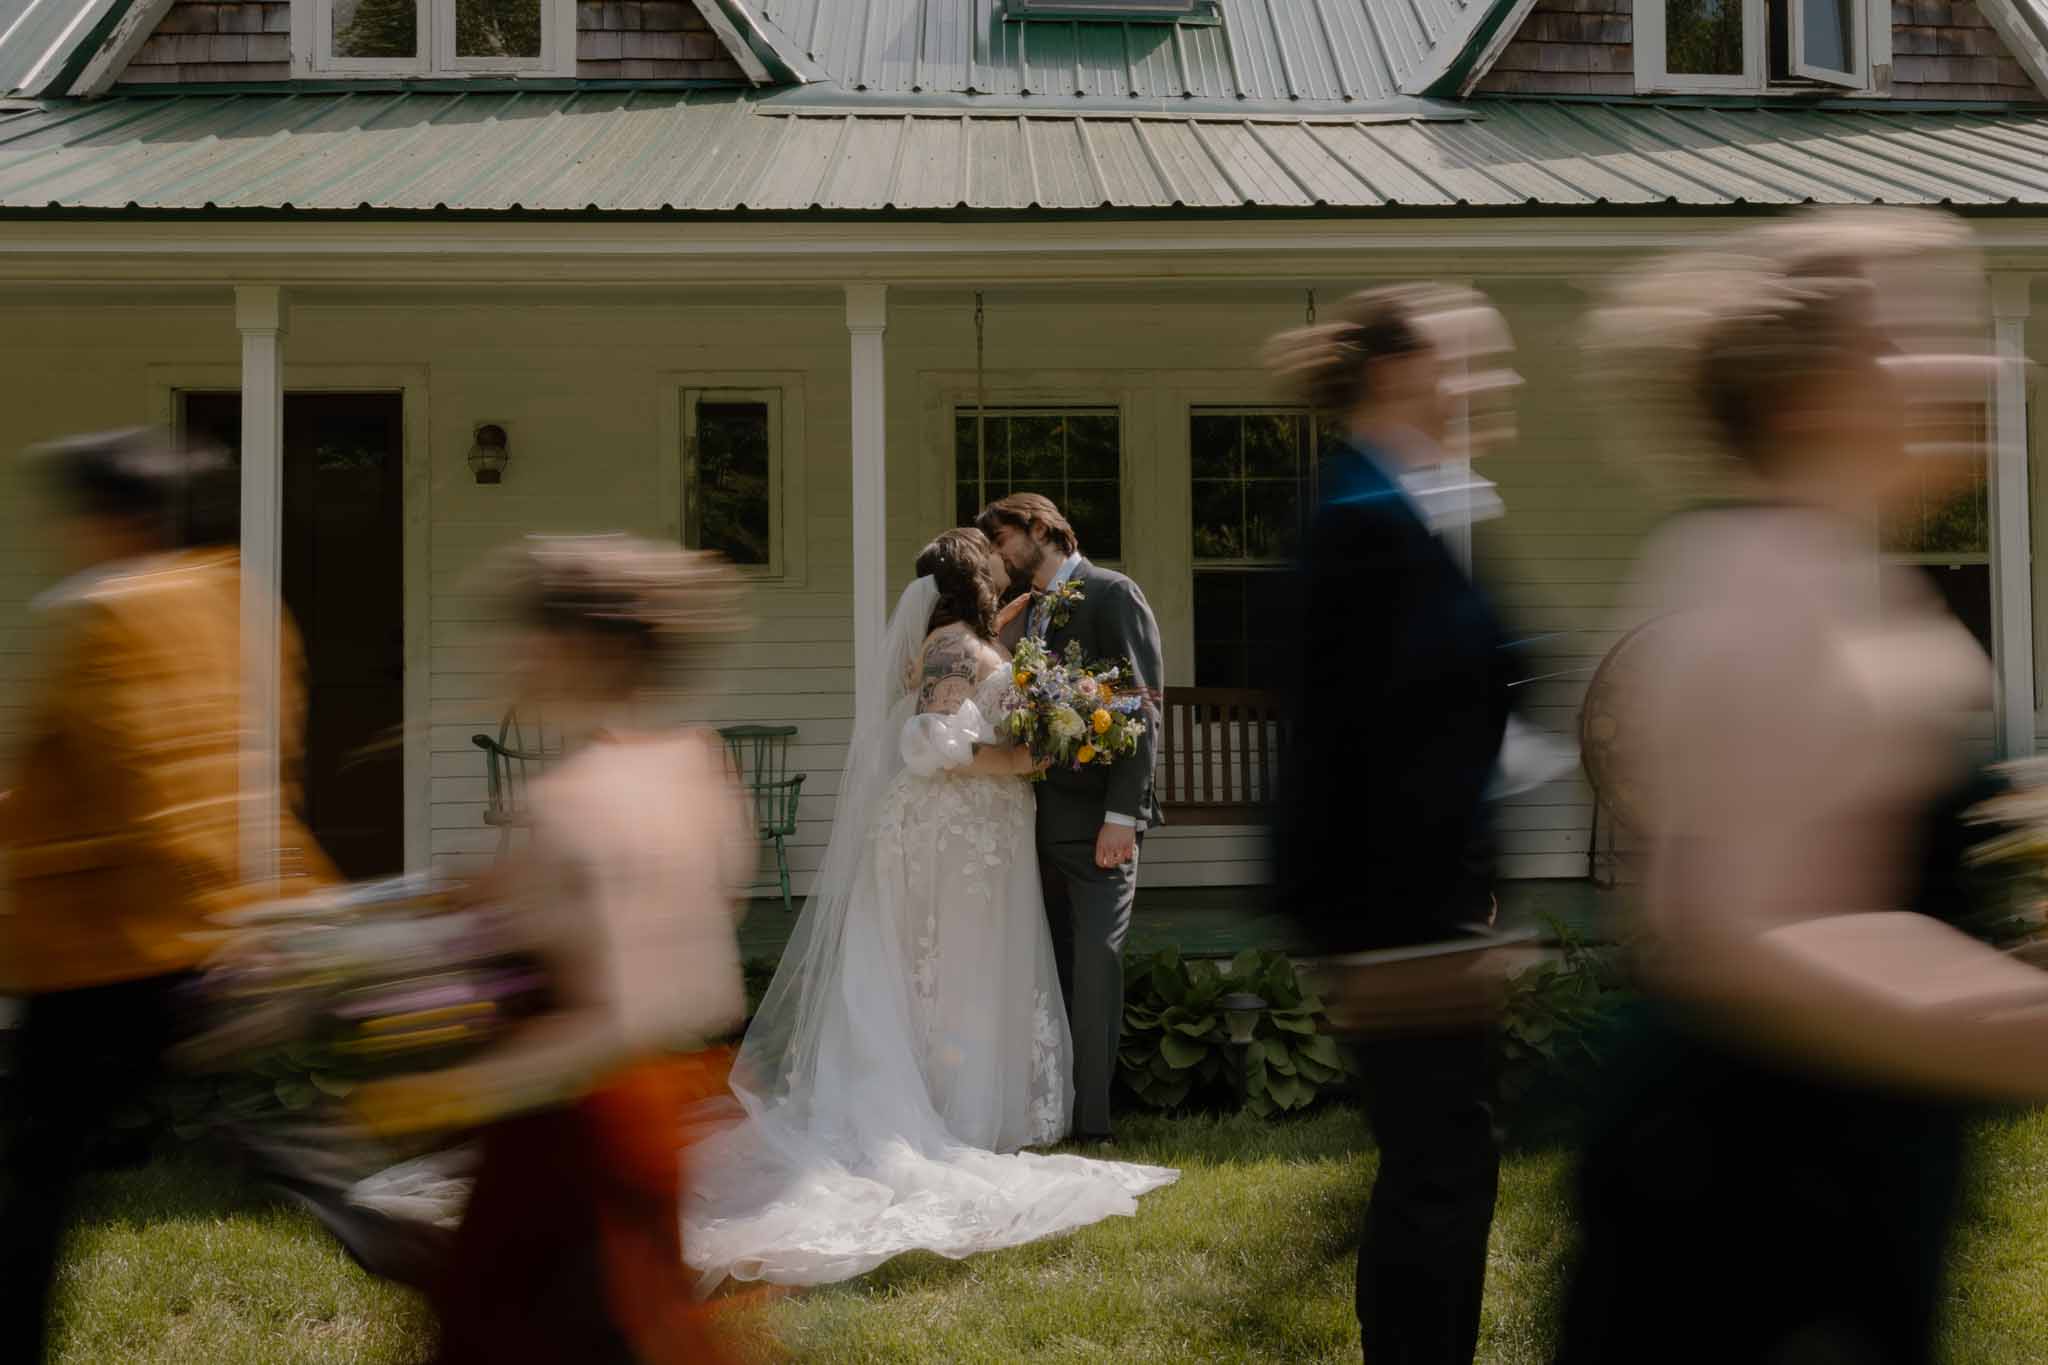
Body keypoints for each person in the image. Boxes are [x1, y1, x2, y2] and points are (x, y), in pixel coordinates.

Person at [1558, 209, 2048, 1365]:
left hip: (1842, 1190)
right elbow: (1730, 931)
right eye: (1920, 333)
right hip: (1753, 1231)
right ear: (1816, 387)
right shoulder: (1764, 586)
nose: (1979, 363)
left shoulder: (1840, 570)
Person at [683, 527, 1177, 1292]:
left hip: (975, 832)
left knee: (963, 970)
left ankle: (969, 1105)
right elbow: (925, 743)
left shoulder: (959, 638)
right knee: (944, 971)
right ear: (978, 579)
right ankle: (946, 1113)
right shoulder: (952, 648)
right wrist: (1023, 757)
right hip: (950, 836)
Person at [349, 534, 758, 1365]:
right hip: (655, 1128)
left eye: (524, 632)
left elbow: (611, 1016)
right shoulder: (696, 767)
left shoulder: (577, 806)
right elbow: (701, 973)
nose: (508, 654)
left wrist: (428, 1094)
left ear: (574, 647)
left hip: (570, 1147)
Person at [0, 427, 332, 1361]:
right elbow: (261, 761)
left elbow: (141, 779)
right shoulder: (238, 605)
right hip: (216, 925)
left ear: (102, 519)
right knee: (276, 1132)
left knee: (37, 1173)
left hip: (106, 945)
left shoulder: (101, 613)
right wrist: (271, 911)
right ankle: (375, 1210)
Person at [1264, 285, 1522, 1365]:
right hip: (1398, 917)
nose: (1481, 382)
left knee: (1427, 1164)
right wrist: (1367, 944)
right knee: (1440, 1174)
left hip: (1428, 906)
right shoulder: (1358, 519)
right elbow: (1330, 740)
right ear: (1391, 376)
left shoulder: (1405, 504)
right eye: (1458, 362)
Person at [974, 494, 1164, 1147]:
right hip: (1030, 817)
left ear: (1036, 526)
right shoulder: (1029, 614)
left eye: (999, 537)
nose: (996, 552)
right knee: (1046, 964)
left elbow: (1141, 710)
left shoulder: (1113, 594)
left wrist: (1122, 814)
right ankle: (1046, 1111)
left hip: (1097, 826)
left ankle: (1093, 1124)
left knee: (1097, 963)